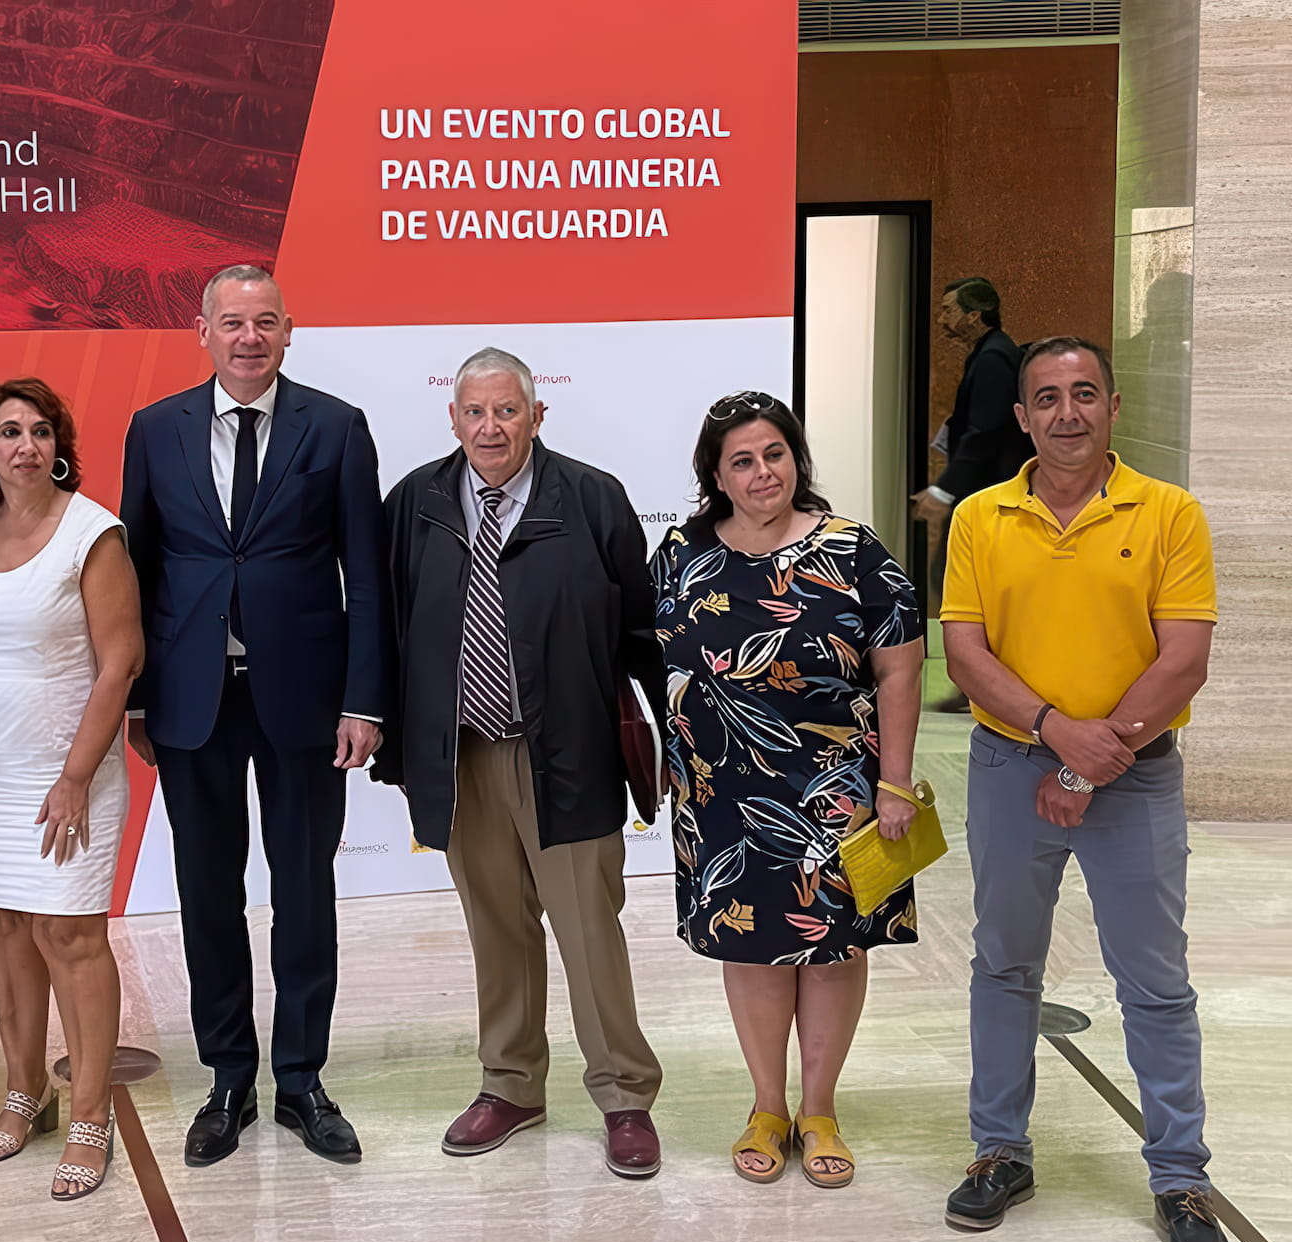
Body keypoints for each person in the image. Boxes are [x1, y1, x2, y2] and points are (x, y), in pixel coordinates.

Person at [940, 338, 1226, 1242]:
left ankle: (1180, 1177)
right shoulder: (982, 516)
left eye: (1085, 395)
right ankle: (999, 1153)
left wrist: (1094, 760)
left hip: (1133, 776)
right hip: (1010, 765)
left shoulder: (1169, 511)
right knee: (1003, 967)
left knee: (1154, 983)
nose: (1067, 413)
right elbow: (969, 655)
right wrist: (1062, 737)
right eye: (1047, 399)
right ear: (1020, 417)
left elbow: (1183, 656)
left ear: (1112, 407)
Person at [119, 264, 392, 1167]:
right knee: (206, 894)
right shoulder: (154, 430)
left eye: (264, 323)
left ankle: (303, 1078)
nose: (248, 338)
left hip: (307, 701)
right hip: (191, 700)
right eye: (231, 323)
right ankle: (228, 1074)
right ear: (202, 331)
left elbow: (368, 574)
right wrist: (136, 698)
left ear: (288, 331)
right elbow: (136, 574)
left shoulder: (337, 426)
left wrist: (364, 699)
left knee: (305, 894)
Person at [374, 347, 667, 1180]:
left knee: (587, 931)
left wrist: (673, 730)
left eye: (508, 411)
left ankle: (624, 1096)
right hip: (461, 754)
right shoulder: (417, 503)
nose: (491, 427)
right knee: (496, 930)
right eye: (475, 412)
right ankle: (511, 1085)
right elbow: (391, 627)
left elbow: (641, 631)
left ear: (538, 416)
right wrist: (394, 742)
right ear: (454, 419)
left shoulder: (593, 499)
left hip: (566, 752)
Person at [651, 391, 926, 1189]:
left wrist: (897, 783)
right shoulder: (679, 553)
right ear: (717, 475)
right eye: (742, 459)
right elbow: (651, 657)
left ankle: (819, 1109)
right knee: (754, 949)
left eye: (774, 453)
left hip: (840, 789)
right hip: (721, 795)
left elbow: (901, 668)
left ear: (795, 459)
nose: (762, 471)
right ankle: (767, 1107)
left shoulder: (853, 551)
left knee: (833, 949)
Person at [0, 378, 143, 1200]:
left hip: (65, 771)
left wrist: (76, 778)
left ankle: (91, 1116)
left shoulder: (94, 532)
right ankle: (26, 1094)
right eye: (9, 432)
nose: (26, 446)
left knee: (71, 939)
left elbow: (120, 661)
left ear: (59, 447)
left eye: (41, 432)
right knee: (9, 930)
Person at [912, 277, 1026, 712]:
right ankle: (978, 685)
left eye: (948, 310)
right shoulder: (989, 353)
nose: (942, 318)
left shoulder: (995, 359)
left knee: (960, 582)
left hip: (991, 492)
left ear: (973, 316)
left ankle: (982, 685)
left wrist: (945, 488)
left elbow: (985, 432)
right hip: (988, 490)